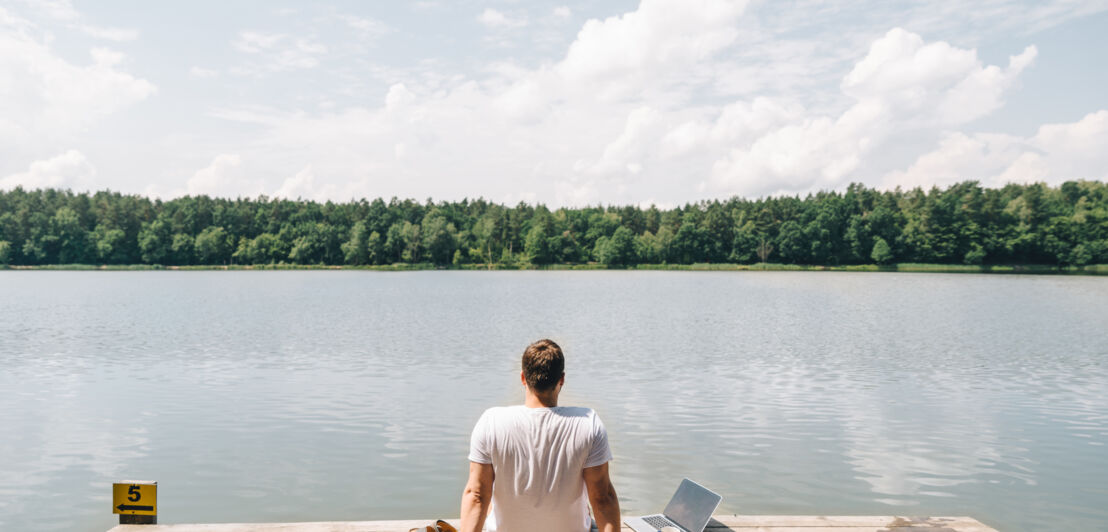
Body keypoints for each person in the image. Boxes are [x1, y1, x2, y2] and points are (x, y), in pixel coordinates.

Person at [459, 339, 621, 532]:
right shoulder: (588, 423)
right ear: (561, 379)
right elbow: (602, 498)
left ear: (522, 378)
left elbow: (476, 495)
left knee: (491, 504)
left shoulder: (491, 422)